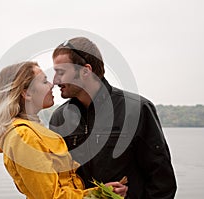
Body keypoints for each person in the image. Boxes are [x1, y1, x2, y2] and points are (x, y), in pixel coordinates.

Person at [49, 37, 177, 199]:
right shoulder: (59, 118)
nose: (55, 81)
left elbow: (162, 182)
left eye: (61, 72)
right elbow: (59, 181)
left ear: (85, 71)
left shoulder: (137, 110)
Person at [0, 61, 127, 199]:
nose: (52, 84)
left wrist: (103, 192)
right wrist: (101, 195)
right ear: (26, 93)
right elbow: (51, 196)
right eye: (44, 81)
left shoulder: (30, 131)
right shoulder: (23, 137)